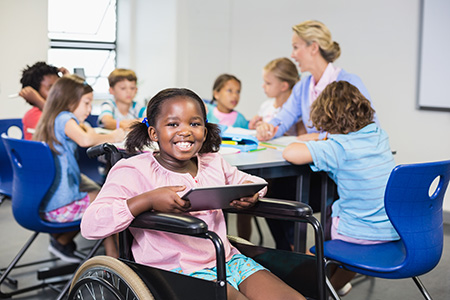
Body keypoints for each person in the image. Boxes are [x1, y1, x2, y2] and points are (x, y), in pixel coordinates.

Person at [81, 88, 305, 300]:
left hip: (227, 259)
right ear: (153, 132)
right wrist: (146, 201)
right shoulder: (135, 170)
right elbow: (91, 224)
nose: (185, 130)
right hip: (173, 270)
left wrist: (250, 194)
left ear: (204, 131)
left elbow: (254, 182)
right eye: (173, 124)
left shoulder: (213, 163)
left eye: (194, 123)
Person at [283, 81, 399, 297]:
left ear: (326, 117)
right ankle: (329, 289)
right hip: (391, 230)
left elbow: (291, 152)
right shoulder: (379, 135)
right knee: (335, 211)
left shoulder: (338, 148)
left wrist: (323, 138)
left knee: (326, 223)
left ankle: (314, 288)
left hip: (356, 234)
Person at [33, 74, 125, 262]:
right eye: (86, 103)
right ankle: (115, 258)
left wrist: (86, 127)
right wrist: (115, 136)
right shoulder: (65, 118)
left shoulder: (53, 117)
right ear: (70, 100)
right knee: (107, 203)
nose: (89, 109)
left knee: (101, 196)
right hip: (60, 208)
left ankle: (66, 243)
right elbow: (85, 139)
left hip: (48, 204)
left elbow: (88, 132)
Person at [256, 20, 378, 142]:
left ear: (314, 47)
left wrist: (321, 137)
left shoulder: (349, 82)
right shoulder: (303, 87)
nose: (292, 55)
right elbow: (284, 117)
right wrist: (268, 128)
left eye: (296, 47)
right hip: (317, 157)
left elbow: (370, 130)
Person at [249, 57, 305, 136]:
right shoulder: (265, 106)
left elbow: (302, 138)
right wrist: (257, 126)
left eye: (268, 83)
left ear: (283, 86)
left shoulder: (296, 111)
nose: (263, 86)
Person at [19, 61, 69, 140]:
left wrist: (69, 82)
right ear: (35, 93)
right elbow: (63, 126)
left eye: (59, 85)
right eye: (51, 88)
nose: (58, 91)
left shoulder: (61, 111)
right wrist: (39, 101)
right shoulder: (33, 115)